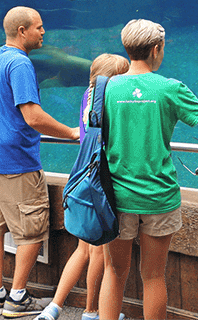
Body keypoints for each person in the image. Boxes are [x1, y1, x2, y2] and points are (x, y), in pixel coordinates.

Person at [99, 20, 198, 320]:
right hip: (159, 196)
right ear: (157, 49)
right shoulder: (170, 88)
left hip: (115, 195)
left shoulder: (106, 88)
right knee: (153, 276)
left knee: (114, 272)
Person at [0, 7, 81, 318]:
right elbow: (32, 116)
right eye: (38, 27)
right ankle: (17, 297)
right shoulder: (20, 64)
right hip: (15, 161)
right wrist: (71, 133)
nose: (43, 32)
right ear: (22, 31)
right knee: (31, 232)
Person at [37, 53, 131, 320]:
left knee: (83, 249)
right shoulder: (111, 101)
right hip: (102, 183)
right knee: (99, 251)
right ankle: (91, 312)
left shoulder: (87, 97)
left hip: (82, 180)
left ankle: (54, 307)